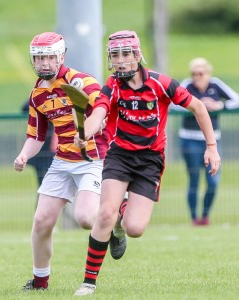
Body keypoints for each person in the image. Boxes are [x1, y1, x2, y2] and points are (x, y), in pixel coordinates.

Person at [73, 30, 221, 296]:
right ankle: (88, 282)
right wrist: (87, 132)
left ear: (137, 55)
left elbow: (198, 107)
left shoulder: (161, 83)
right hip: (119, 156)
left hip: (150, 160)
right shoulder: (113, 85)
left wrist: (212, 147)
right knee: (105, 213)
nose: (119, 61)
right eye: (115, 55)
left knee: (135, 228)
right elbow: (99, 112)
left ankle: (121, 226)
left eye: (125, 54)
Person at [13, 31, 109, 290]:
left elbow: (102, 107)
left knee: (86, 219)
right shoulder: (37, 95)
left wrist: (85, 132)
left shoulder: (80, 80)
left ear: (61, 57)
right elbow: (36, 135)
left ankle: (117, 218)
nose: (43, 63)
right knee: (42, 221)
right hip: (63, 161)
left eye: (49, 58)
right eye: (38, 58)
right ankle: (40, 282)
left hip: (92, 158)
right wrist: (23, 155)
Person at [170, 57, 239, 226]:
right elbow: (172, 104)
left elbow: (236, 100)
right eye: (194, 73)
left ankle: (206, 214)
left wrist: (218, 105)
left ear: (208, 73)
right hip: (189, 139)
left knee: (213, 181)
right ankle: (195, 219)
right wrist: (196, 106)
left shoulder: (216, 85)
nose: (197, 77)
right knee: (193, 179)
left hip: (212, 140)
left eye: (200, 73)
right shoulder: (187, 85)